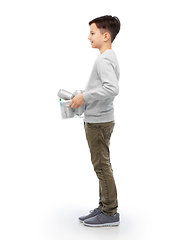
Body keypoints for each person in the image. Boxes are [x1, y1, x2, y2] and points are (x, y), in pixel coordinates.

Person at [69, 15, 121, 227]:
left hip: (98, 122)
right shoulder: (109, 57)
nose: (88, 37)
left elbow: (112, 88)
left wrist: (85, 97)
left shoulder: (103, 59)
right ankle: (104, 205)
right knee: (102, 164)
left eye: (92, 33)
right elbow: (105, 87)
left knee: (101, 167)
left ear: (105, 35)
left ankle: (110, 213)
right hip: (101, 119)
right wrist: (85, 93)